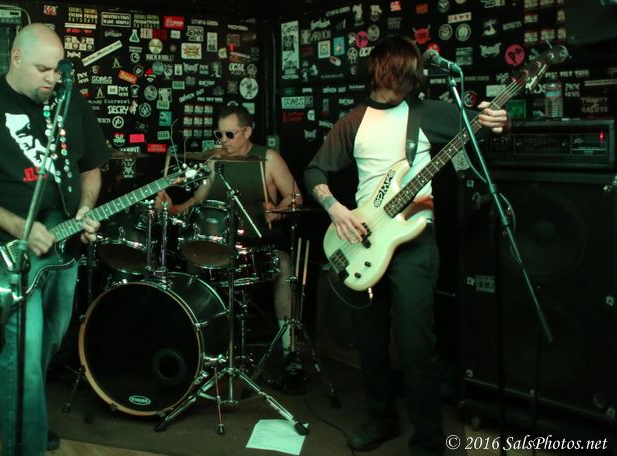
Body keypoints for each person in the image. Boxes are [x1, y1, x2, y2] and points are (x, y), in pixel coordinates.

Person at [303, 36, 510, 455]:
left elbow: (487, 125)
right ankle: (381, 420)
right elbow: (314, 171)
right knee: (370, 342)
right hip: (365, 240)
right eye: (405, 73)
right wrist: (335, 208)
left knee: (417, 345)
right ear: (386, 71)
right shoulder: (354, 121)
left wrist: (499, 120)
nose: (411, 82)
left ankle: (429, 439)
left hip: (414, 243)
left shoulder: (429, 113)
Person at [0, 23, 110, 456]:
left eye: (57, 69)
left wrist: (85, 208)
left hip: (65, 250)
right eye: (42, 69)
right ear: (15, 57)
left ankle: (25, 419)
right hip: (13, 254)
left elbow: (91, 167)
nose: (52, 79)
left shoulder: (71, 103)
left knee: (49, 343)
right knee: (25, 351)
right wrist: (21, 227)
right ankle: (24, 444)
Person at [157, 105, 303, 376]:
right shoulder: (215, 161)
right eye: (219, 134)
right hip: (218, 242)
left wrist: (278, 210)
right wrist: (173, 209)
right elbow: (196, 200)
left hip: (258, 243)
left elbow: (295, 197)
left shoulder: (268, 159)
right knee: (191, 259)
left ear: (247, 131)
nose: (222, 140)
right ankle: (195, 344)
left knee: (284, 266)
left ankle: (289, 350)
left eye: (229, 134)